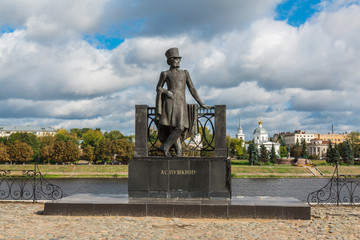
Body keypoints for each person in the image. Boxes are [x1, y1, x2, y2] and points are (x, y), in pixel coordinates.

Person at [155, 47, 209, 157]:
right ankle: (178, 153)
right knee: (174, 128)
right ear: (170, 60)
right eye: (176, 59)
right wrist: (165, 92)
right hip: (170, 103)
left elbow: (192, 89)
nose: (179, 61)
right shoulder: (165, 73)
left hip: (181, 104)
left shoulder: (185, 73)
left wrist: (201, 103)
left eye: (179, 59)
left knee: (180, 127)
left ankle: (165, 146)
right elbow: (158, 88)